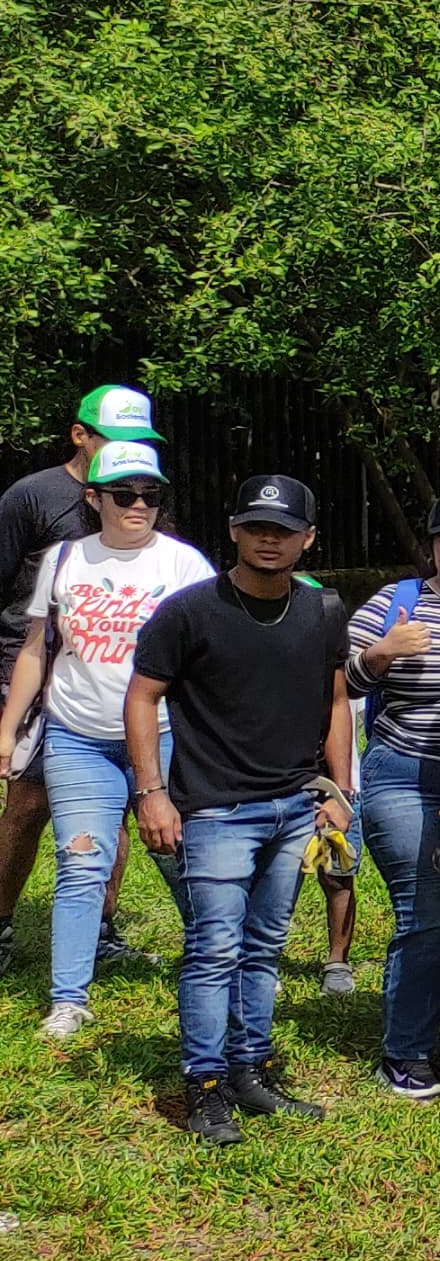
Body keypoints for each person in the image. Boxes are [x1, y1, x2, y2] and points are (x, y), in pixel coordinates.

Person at [127, 475, 351, 1142]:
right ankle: (202, 1086)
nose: (269, 538)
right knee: (213, 948)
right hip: (216, 810)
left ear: (308, 538)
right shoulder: (188, 612)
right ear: (232, 529)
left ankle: (250, 1069)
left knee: (263, 949)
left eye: (284, 530)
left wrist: (339, 789)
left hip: (292, 806)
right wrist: (151, 792)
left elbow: (335, 700)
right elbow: (142, 698)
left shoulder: (322, 612)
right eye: (256, 525)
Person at [2, 438, 209, 1045]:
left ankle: (223, 965)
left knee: (182, 857)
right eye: (124, 494)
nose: (138, 505)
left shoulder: (183, 565)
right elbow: (38, 649)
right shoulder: (66, 560)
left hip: (165, 735)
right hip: (77, 736)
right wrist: (8, 728)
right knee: (80, 862)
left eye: (151, 495)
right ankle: (68, 999)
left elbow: (210, 654)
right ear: (94, 499)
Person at [331, 490, 440, 1084]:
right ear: (431, 545)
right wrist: (381, 654)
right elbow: (340, 685)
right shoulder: (397, 602)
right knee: (430, 911)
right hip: (408, 774)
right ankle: (405, 1052)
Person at [0, 386, 154, 972]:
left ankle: (101, 928)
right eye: (117, 439)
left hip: (115, 670)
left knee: (113, 804)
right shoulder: (31, 497)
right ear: (80, 435)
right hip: (30, 665)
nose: (129, 453)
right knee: (29, 803)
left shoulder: (142, 493)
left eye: (140, 441)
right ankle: (2, 924)